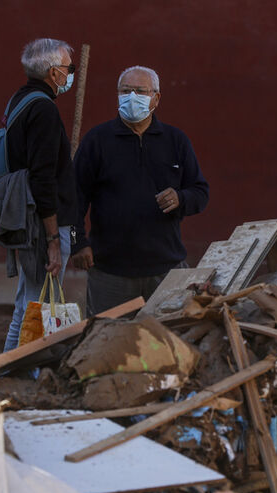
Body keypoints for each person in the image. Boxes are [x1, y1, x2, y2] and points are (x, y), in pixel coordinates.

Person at [70, 65, 209, 315]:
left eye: (140, 91)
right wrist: (77, 243)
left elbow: (200, 192)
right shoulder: (97, 140)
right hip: (110, 272)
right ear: (117, 95)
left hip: (166, 268)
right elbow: (73, 198)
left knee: (167, 342)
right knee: (107, 344)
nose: (132, 97)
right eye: (126, 91)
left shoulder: (175, 140)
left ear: (156, 97)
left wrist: (181, 198)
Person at [2, 38, 78, 351]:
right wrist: (53, 241)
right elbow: (43, 178)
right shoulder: (44, 109)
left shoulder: (20, 100)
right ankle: (13, 367)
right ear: (53, 72)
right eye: (68, 68)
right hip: (42, 222)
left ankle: (12, 366)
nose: (71, 74)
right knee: (35, 302)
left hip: (27, 216)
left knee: (29, 299)